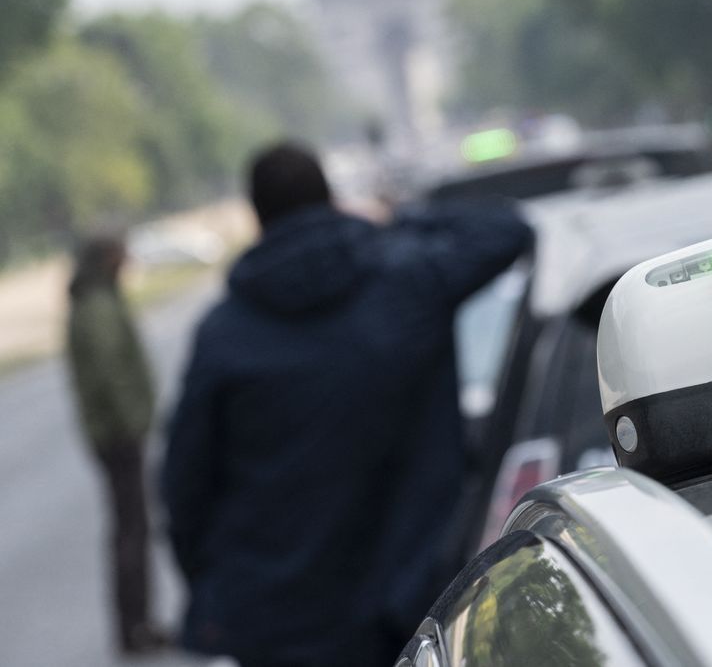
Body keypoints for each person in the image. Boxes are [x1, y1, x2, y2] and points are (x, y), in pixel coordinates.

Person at [161, 141, 533, 667]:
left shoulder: (225, 332)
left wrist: (213, 585)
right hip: (399, 602)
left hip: (275, 616)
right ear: (331, 198)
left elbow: (186, 484)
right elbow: (506, 230)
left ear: (257, 214)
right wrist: (392, 216)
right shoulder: (407, 279)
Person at [65, 233, 169, 655]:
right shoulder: (98, 307)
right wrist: (135, 422)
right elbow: (112, 373)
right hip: (118, 435)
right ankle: (135, 627)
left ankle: (138, 624)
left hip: (113, 433)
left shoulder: (93, 301)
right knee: (132, 531)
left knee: (132, 528)